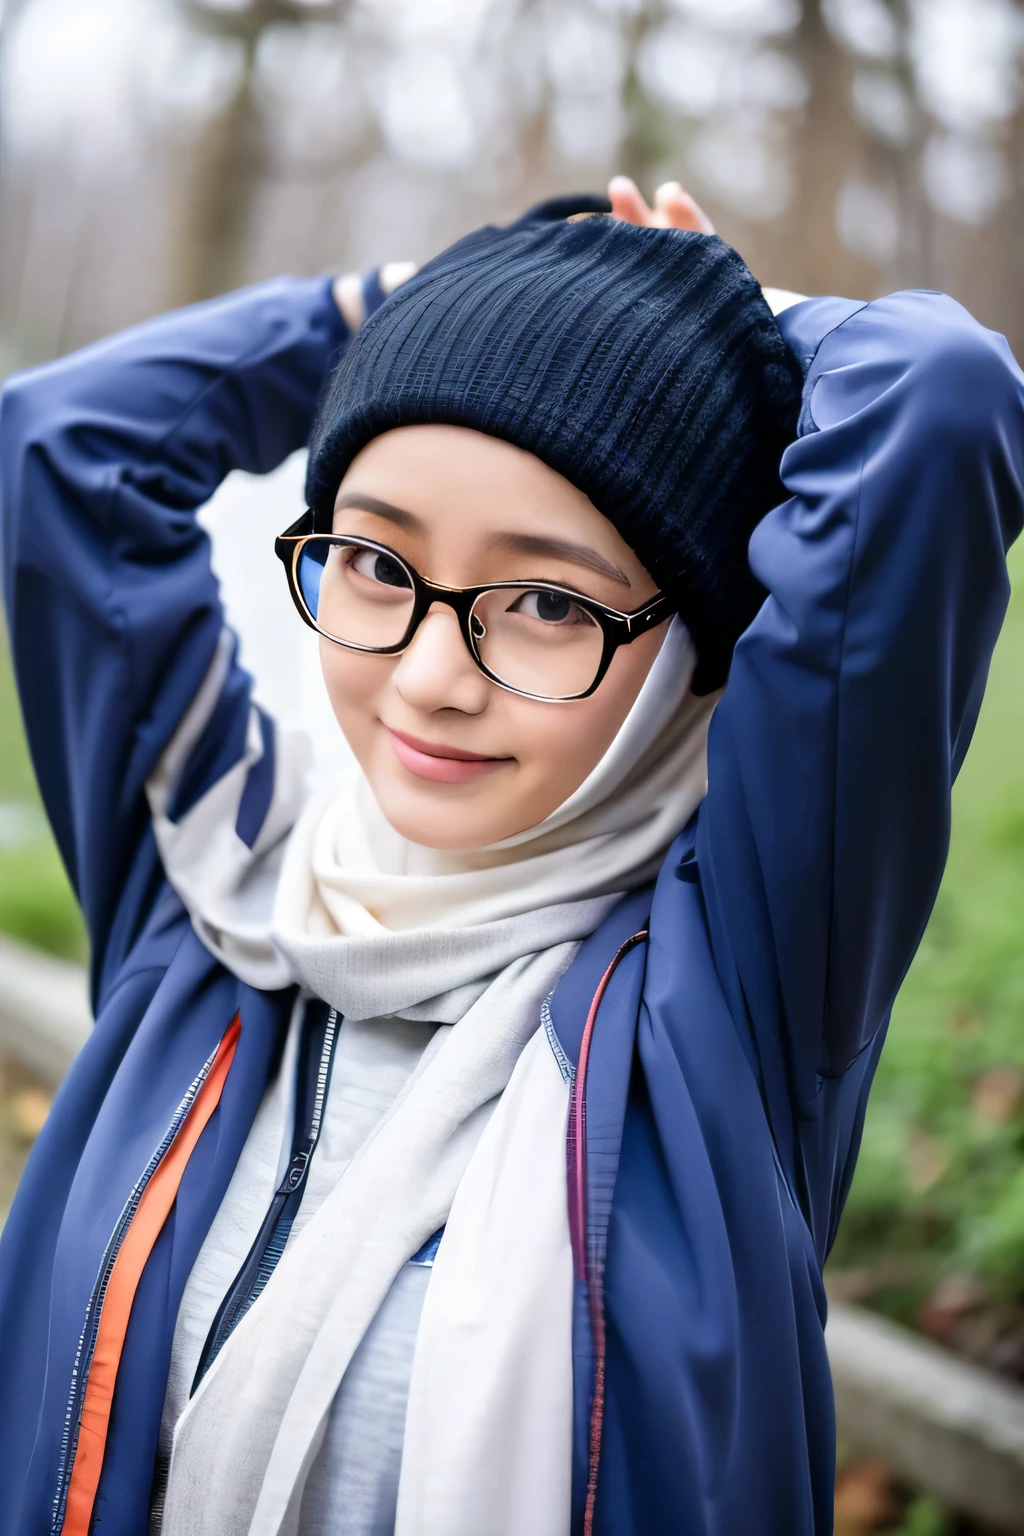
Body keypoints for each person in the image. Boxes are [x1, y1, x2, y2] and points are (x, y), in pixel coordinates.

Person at [0, 177, 1021, 1536]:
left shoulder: (737, 991)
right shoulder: (210, 879)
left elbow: (943, 403)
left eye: (544, 602)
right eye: (372, 562)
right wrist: (417, 296)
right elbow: (62, 443)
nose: (427, 678)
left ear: (691, 657)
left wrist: (716, 328)